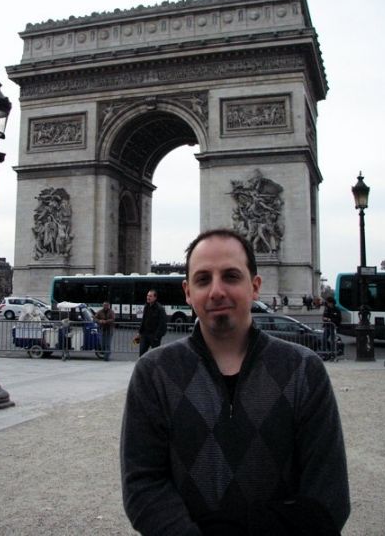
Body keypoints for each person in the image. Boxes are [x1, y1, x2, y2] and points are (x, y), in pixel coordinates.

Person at [121, 229, 350, 535]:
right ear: (187, 292)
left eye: (230, 276)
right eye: (203, 279)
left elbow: (329, 497)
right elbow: (143, 486)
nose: (216, 291)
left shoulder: (305, 370)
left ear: (255, 286)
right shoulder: (153, 374)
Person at [135, 289, 167, 357]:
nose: (148, 297)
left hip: (154, 336)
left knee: (155, 356)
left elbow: (162, 324)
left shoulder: (160, 308)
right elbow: (143, 320)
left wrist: (157, 336)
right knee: (142, 355)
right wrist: (139, 332)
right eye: (147, 295)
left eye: (150, 296)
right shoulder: (146, 306)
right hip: (144, 335)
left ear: (155, 298)